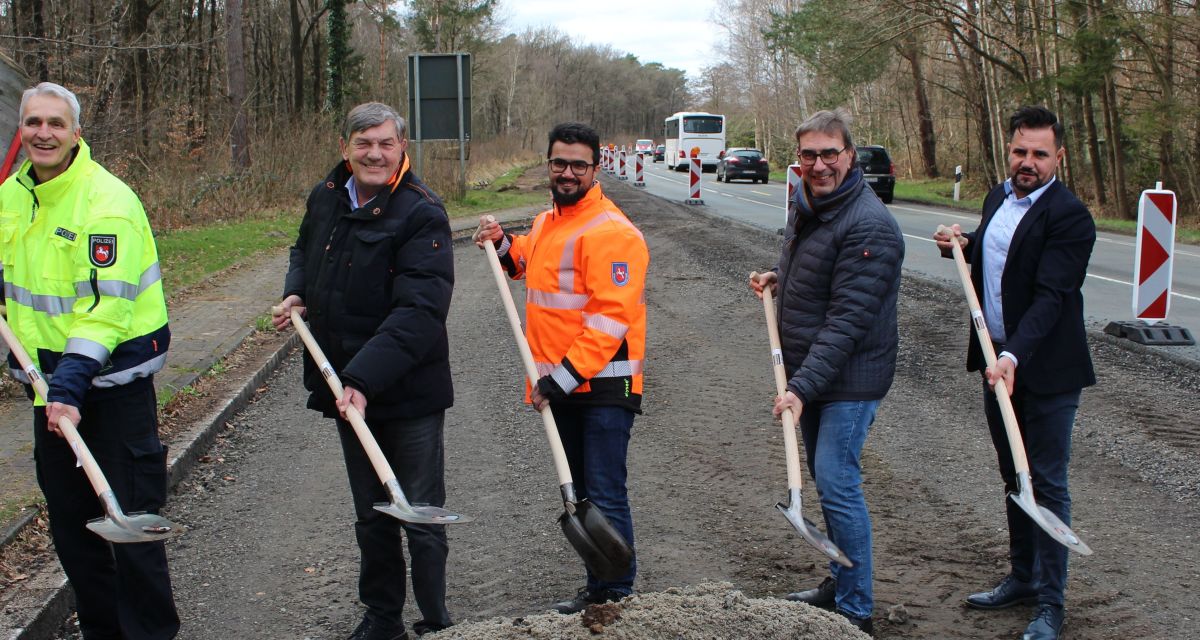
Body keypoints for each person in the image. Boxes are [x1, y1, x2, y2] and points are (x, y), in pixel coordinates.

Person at [0, 82, 178, 639]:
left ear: (77, 133)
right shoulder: (10, 196)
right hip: (47, 392)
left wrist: (69, 390)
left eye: (56, 123)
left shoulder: (108, 205)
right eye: (33, 123)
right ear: (21, 130)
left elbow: (103, 313)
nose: (43, 133)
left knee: (129, 539)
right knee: (75, 539)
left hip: (111, 394)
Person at [273, 102, 454, 640]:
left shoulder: (422, 212)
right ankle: (382, 618)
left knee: (418, 512)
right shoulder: (326, 196)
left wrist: (362, 379)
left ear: (402, 149)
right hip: (347, 387)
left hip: (404, 391)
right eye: (363, 143)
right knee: (372, 514)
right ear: (345, 148)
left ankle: (437, 621)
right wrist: (296, 289)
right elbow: (302, 248)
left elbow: (419, 311)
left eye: (385, 143)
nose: (374, 153)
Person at [933, 105, 1095, 640]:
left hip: (1043, 370)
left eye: (1039, 154)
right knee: (1012, 476)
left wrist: (1013, 357)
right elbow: (995, 254)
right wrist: (960, 245)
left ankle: (1051, 604)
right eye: (1020, 151)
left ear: (1060, 157)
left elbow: (1051, 297)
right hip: (995, 359)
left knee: (1045, 483)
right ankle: (1023, 577)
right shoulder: (999, 196)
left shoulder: (1071, 218)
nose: (1028, 162)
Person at [473, 122, 648, 615]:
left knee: (604, 491)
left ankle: (616, 594)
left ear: (595, 169)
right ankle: (599, 587)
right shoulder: (551, 222)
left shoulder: (613, 233)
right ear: (548, 165)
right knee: (584, 493)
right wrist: (504, 242)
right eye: (559, 163)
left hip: (604, 385)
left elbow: (610, 319)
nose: (567, 172)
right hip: (564, 384)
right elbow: (530, 259)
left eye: (578, 165)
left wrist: (560, 380)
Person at [749, 108, 903, 636]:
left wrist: (799, 389)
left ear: (850, 156)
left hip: (851, 375)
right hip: (815, 369)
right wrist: (778, 274)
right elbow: (815, 268)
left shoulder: (870, 226)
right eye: (809, 154)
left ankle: (855, 609)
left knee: (837, 483)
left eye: (829, 154)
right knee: (825, 476)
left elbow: (847, 322)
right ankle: (840, 581)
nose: (818, 164)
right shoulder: (809, 202)